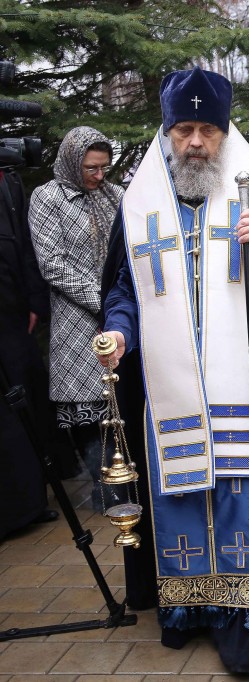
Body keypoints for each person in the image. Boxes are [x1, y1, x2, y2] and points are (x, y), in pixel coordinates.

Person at [95, 67, 249, 673]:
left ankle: (246, 611)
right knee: (182, 491)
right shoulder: (138, 205)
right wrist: (119, 331)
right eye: (184, 130)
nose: (195, 142)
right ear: (167, 132)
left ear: (225, 132)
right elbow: (126, 288)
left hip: (246, 388)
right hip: (170, 390)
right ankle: (191, 607)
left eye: (207, 131)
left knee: (241, 492)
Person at [28, 127, 125, 512]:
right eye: (91, 168)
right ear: (72, 162)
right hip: (76, 322)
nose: (99, 175)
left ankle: (130, 484)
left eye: (104, 167)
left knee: (122, 399)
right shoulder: (47, 197)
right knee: (88, 407)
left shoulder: (115, 195)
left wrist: (123, 302)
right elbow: (52, 263)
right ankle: (105, 490)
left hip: (121, 315)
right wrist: (103, 300)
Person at [0, 165, 68, 540]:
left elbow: (25, 246)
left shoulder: (9, 180)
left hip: (14, 315)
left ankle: (31, 502)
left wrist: (34, 301)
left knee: (26, 402)